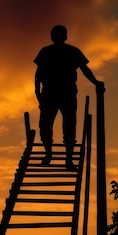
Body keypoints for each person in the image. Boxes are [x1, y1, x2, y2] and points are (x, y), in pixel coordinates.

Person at [34, 25, 104, 170]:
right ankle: (49, 154)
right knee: (46, 125)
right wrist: (38, 93)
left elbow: (85, 69)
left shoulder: (72, 51)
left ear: (64, 36)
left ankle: (68, 160)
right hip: (50, 93)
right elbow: (38, 74)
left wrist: (96, 82)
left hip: (66, 93)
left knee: (69, 126)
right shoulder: (46, 52)